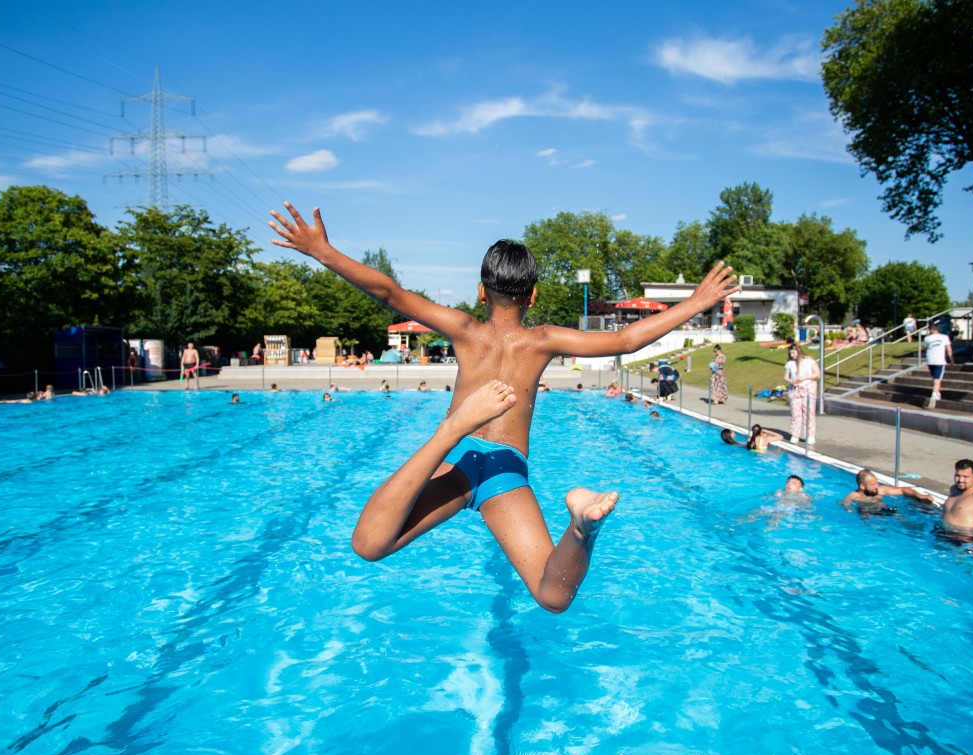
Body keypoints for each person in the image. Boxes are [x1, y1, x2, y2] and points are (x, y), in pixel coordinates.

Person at [270, 201, 739, 613]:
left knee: (370, 545)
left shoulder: (463, 329)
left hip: (456, 458)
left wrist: (322, 252)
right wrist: (695, 302)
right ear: (532, 295)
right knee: (552, 596)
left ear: (481, 291)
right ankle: (580, 528)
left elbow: (390, 293)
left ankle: (452, 432)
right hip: (504, 471)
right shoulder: (544, 340)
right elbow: (625, 338)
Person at [841, 468, 933, 508]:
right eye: (873, 485)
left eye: (876, 483)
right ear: (862, 486)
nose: (876, 486)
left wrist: (920, 496)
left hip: (883, 509)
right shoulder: (854, 495)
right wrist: (848, 509)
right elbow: (844, 504)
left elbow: (903, 489)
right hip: (866, 512)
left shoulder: (881, 490)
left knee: (895, 510)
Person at [784, 343, 819, 444]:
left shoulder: (809, 361)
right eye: (791, 353)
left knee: (808, 412)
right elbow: (786, 377)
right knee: (796, 413)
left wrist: (804, 377)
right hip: (795, 389)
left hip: (808, 388)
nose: (792, 355)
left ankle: (810, 435)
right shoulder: (790, 364)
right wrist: (791, 381)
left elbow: (817, 373)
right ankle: (795, 434)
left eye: (794, 353)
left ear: (798, 351)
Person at [923, 322, 953, 408]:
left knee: (935, 377)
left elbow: (924, 348)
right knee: (937, 379)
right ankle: (934, 394)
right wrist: (951, 360)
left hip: (930, 360)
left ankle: (937, 393)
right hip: (939, 360)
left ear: (931, 330)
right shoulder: (944, 337)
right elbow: (949, 349)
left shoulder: (927, 338)